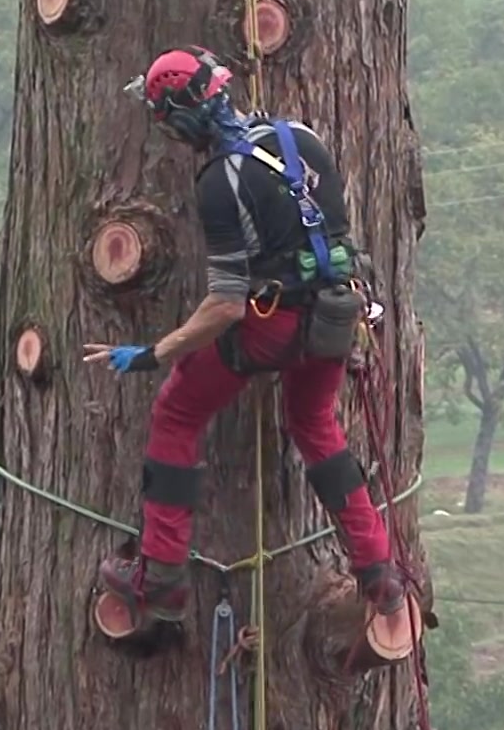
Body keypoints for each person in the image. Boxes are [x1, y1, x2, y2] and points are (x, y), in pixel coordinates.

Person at [83, 45, 404, 628]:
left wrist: (154, 353)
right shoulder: (298, 138)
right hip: (335, 313)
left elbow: (227, 305)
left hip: (270, 321)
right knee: (316, 426)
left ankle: (160, 573)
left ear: (181, 122)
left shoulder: (219, 184)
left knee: (177, 414)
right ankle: (378, 567)